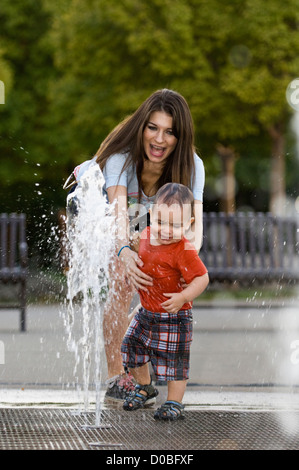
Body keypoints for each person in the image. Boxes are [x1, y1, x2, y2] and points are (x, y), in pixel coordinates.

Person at [94, 88, 205, 401]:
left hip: (153, 223)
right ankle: (116, 376)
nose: (159, 139)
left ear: (179, 136)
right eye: (153, 128)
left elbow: (195, 228)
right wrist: (124, 252)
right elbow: (118, 216)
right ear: (142, 127)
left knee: (158, 281)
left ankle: (133, 343)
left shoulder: (192, 166)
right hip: (114, 217)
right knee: (121, 278)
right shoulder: (121, 159)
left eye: (169, 132)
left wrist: (184, 267)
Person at [121, 183, 209, 420]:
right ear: (151, 215)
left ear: (189, 224)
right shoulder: (145, 236)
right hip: (145, 312)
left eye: (176, 225)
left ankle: (174, 402)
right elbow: (135, 258)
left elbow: (202, 278)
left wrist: (184, 297)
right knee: (131, 347)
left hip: (174, 316)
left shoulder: (184, 250)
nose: (167, 230)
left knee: (174, 362)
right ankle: (144, 387)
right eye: (161, 222)